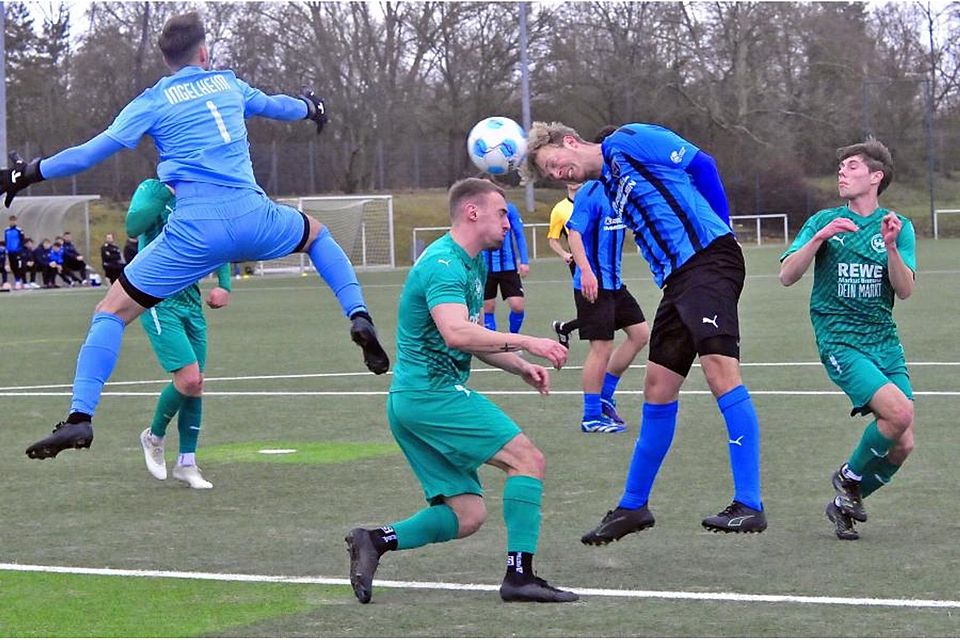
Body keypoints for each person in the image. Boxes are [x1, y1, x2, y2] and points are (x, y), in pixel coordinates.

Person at [8, 12, 390, 460]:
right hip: (255, 217)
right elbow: (276, 105)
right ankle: (358, 314)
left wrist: (27, 172)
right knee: (319, 237)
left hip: (194, 233)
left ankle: (79, 419)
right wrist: (311, 106)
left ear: (165, 58)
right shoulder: (228, 84)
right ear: (204, 53)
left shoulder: (151, 101)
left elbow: (90, 152)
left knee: (110, 312)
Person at [524, 121, 766, 537]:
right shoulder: (604, 182)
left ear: (569, 141)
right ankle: (633, 507)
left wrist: (722, 231)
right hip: (679, 280)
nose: (557, 173)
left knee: (721, 374)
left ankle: (749, 503)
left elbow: (702, 165)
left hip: (707, 260)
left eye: (553, 163)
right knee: (656, 388)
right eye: (549, 175)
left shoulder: (627, 140)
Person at [345, 178, 576, 605]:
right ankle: (520, 576)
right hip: (432, 395)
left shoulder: (472, 264)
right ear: (473, 212)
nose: (509, 223)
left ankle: (374, 540)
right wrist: (527, 341)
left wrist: (520, 366)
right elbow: (455, 333)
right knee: (528, 460)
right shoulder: (443, 264)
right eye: (503, 213)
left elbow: (473, 335)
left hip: (414, 402)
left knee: (467, 515)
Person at [779, 139, 915, 541]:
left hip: (884, 343)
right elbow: (787, 275)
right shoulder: (824, 220)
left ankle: (844, 502)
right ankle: (848, 476)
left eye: (852, 166)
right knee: (899, 413)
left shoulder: (897, 226)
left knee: (902, 443)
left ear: (876, 177)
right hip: (840, 340)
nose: (842, 171)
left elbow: (904, 290)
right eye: (841, 166)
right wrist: (819, 238)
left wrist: (891, 248)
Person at [129, 178, 230, 489]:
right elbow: (134, 226)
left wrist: (224, 284)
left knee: (196, 384)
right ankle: (154, 436)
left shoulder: (203, 195)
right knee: (188, 378)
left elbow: (220, 240)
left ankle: (187, 462)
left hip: (190, 302)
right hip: (157, 296)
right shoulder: (150, 189)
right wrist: (164, 194)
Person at [566, 177, 649, 434]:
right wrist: (586, 270)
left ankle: (604, 396)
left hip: (614, 283)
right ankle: (591, 416)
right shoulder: (590, 191)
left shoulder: (621, 189)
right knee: (601, 347)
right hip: (593, 285)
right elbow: (574, 233)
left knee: (640, 334)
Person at [481, 200, 529, 333]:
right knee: (487, 307)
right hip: (485, 268)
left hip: (509, 267)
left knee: (517, 306)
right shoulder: (479, 209)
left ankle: (513, 339)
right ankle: (493, 342)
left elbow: (519, 234)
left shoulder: (509, 209)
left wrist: (524, 261)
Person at [5, 214, 25, 289]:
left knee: (18, 266)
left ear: (16, 221)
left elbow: (22, 240)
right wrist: (7, 249)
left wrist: (19, 249)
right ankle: (17, 281)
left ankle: (18, 282)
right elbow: (6, 240)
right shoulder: (6, 230)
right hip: (10, 251)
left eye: (13, 221)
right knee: (12, 266)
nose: (12, 222)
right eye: (11, 221)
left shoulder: (19, 230)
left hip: (17, 251)